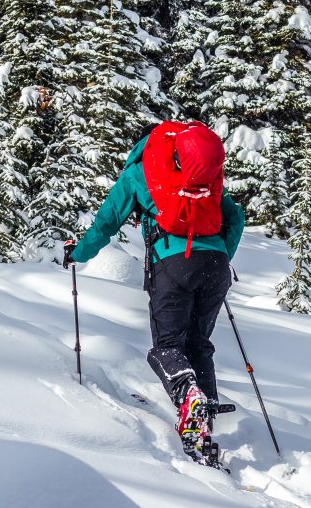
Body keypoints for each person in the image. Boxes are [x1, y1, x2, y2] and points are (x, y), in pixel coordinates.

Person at [64, 121, 244, 459]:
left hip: (173, 263)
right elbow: (235, 217)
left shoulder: (140, 172)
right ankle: (202, 419)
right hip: (216, 266)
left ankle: (190, 399)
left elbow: (107, 222)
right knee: (198, 344)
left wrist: (78, 252)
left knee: (167, 347)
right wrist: (221, 253)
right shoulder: (200, 172)